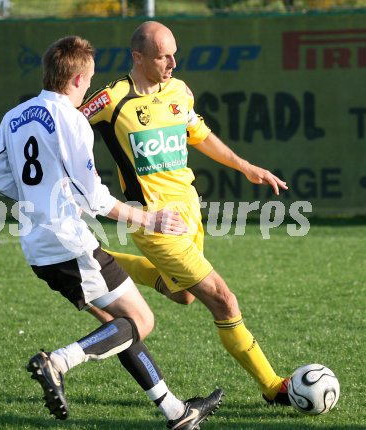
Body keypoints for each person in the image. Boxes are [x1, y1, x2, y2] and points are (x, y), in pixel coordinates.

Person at [0, 35, 223, 429]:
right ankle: (56, 362)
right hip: (70, 244)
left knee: (120, 326)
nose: (89, 88)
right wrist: (150, 219)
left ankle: (176, 412)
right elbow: (93, 197)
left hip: (37, 249)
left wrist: (35, 195)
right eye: (89, 81)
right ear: (76, 79)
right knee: (140, 322)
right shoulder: (73, 119)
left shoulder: (15, 115)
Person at [80, 21, 292, 406]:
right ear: (138, 57)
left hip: (190, 212)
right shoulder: (112, 99)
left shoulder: (179, 92)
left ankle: (100, 264)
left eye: (174, 53)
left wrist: (245, 166)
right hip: (155, 224)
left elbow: (201, 135)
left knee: (185, 298)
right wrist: (81, 173)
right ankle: (273, 386)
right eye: (164, 56)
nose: (173, 62)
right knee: (224, 300)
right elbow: (68, 125)